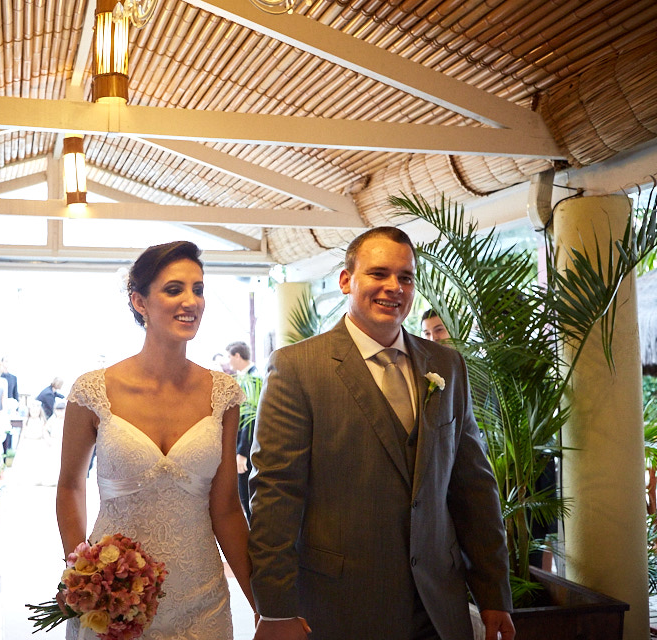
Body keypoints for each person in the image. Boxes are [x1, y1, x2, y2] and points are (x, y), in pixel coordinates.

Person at [248, 227, 515, 640]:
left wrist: (493, 592)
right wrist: (276, 607)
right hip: (340, 602)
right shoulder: (297, 368)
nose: (394, 287)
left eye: (405, 277)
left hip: (438, 603)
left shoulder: (447, 366)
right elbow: (275, 493)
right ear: (345, 280)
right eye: (378, 274)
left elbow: (473, 486)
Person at [56, 240, 255, 639]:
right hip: (112, 599)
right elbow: (69, 486)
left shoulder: (224, 394)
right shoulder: (93, 391)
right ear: (139, 302)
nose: (191, 301)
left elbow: (228, 509)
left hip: (201, 598)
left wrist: (265, 607)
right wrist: (85, 576)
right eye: (174, 289)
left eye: (198, 289)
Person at [225, 340, 260, 523]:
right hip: (247, 447)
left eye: (230, 357)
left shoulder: (252, 380)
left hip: (248, 448)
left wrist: (242, 452)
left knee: (246, 494)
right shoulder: (248, 378)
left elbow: (250, 419)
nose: (229, 362)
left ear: (238, 356)